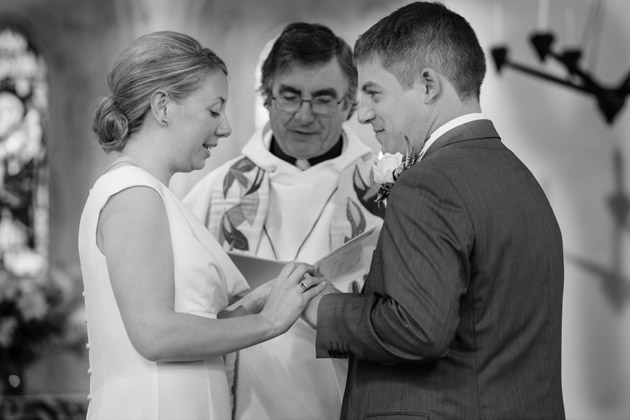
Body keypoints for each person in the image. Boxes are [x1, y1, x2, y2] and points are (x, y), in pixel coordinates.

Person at [302, 2, 566, 420]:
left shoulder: (430, 181)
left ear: (427, 85)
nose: (364, 113)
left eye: (373, 93)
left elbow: (417, 330)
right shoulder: (519, 176)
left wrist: (320, 307)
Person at [78, 31, 325, 420]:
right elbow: (155, 335)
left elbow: (186, 324)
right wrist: (269, 322)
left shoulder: (157, 195)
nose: (225, 128)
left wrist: (251, 307)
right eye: (214, 110)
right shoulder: (132, 192)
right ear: (163, 106)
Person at [184, 22, 383, 420]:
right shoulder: (214, 192)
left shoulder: (384, 192)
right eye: (290, 96)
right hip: (243, 403)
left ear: (349, 104)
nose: (303, 115)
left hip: (350, 398)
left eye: (323, 98)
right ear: (267, 98)